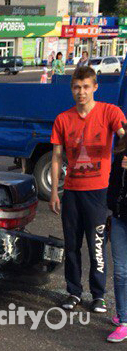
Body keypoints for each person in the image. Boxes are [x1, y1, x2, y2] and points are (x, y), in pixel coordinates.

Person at [50, 66, 127, 313]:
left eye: (85, 87)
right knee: (72, 246)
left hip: (98, 192)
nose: (81, 92)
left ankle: (98, 295)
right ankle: (73, 292)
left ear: (95, 87)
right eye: (76, 87)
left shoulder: (109, 112)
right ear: (71, 89)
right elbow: (56, 158)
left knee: (96, 247)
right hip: (71, 192)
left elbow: (123, 135)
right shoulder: (63, 119)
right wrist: (54, 192)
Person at [107, 131, 127, 342]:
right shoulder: (121, 152)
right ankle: (124, 319)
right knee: (121, 271)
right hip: (120, 218)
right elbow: (112, 185)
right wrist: (110, 211)